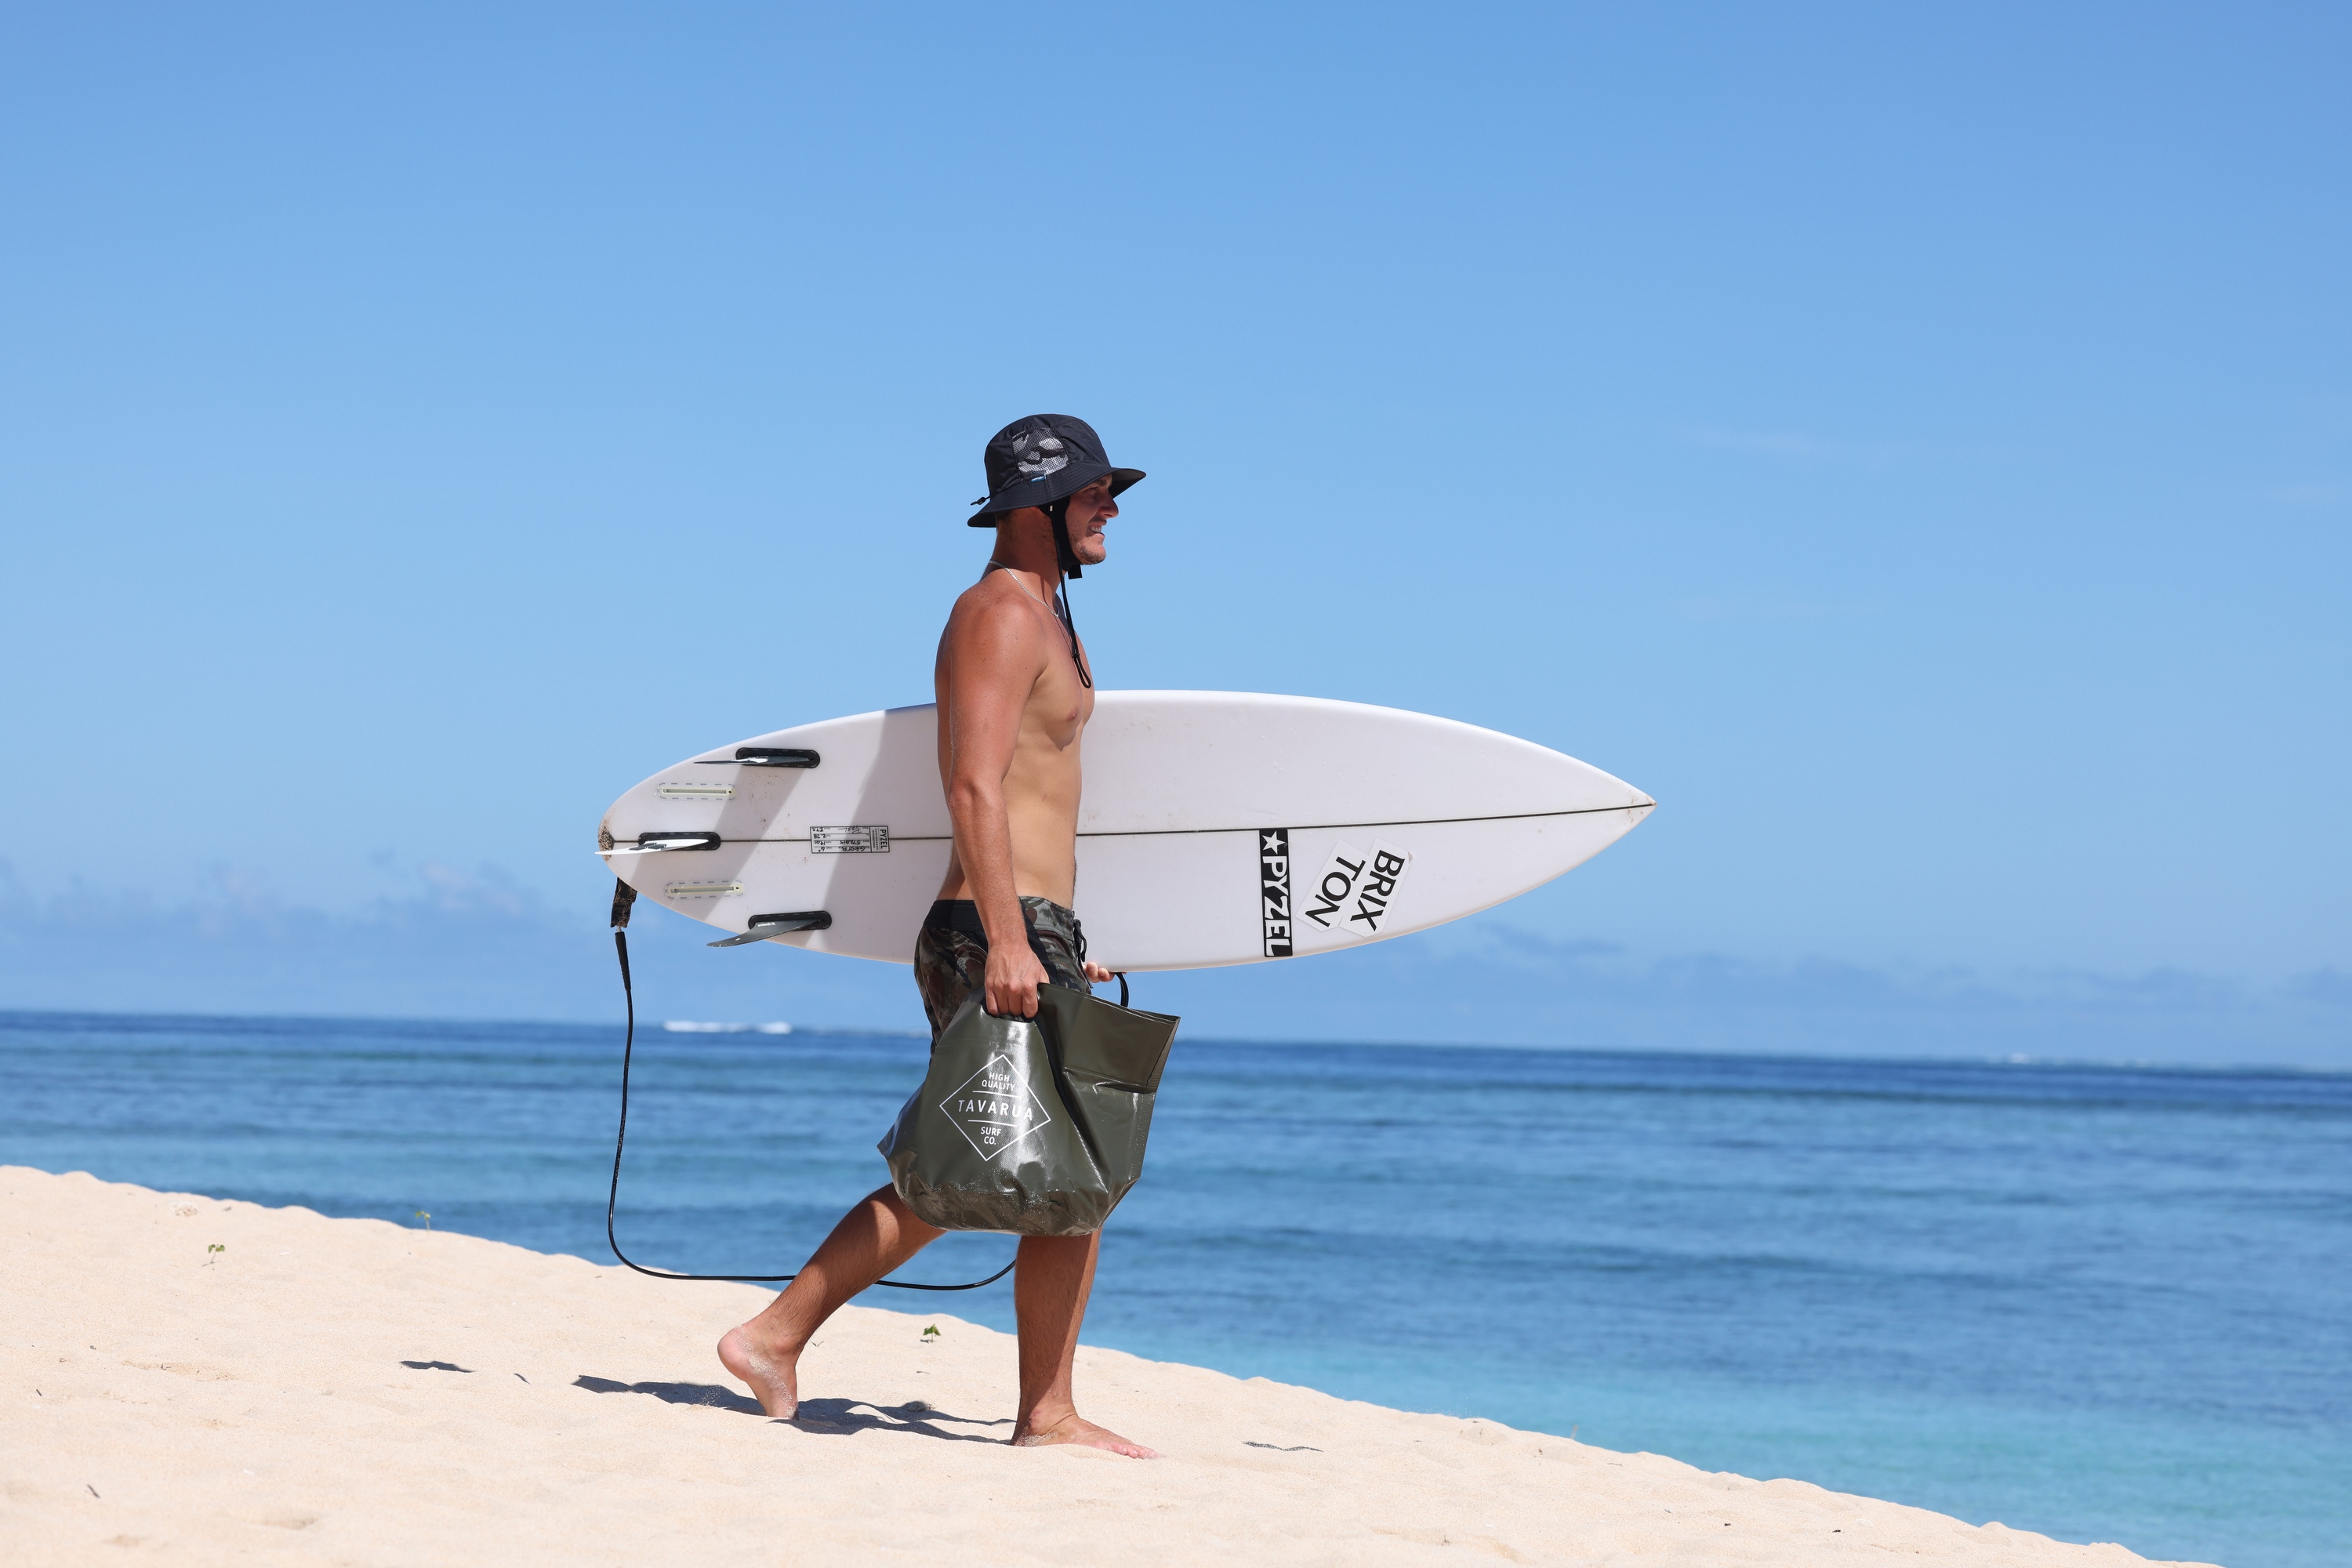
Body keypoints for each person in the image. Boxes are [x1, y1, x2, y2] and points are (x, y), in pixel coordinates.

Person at [718, 415, 1156, 1457]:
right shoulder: (997, 613)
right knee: (986, 1170)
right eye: (1096, 491)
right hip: (990, 927)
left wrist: (1056, 933)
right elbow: (973, 784)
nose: (1112, 507)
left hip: (1033, 924)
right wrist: (1008, 937)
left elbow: (1041, 795)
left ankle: (1032, 1406)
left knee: (1056, 1176)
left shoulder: (1046, 614)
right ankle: (783, 1338)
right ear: (1041, 505)